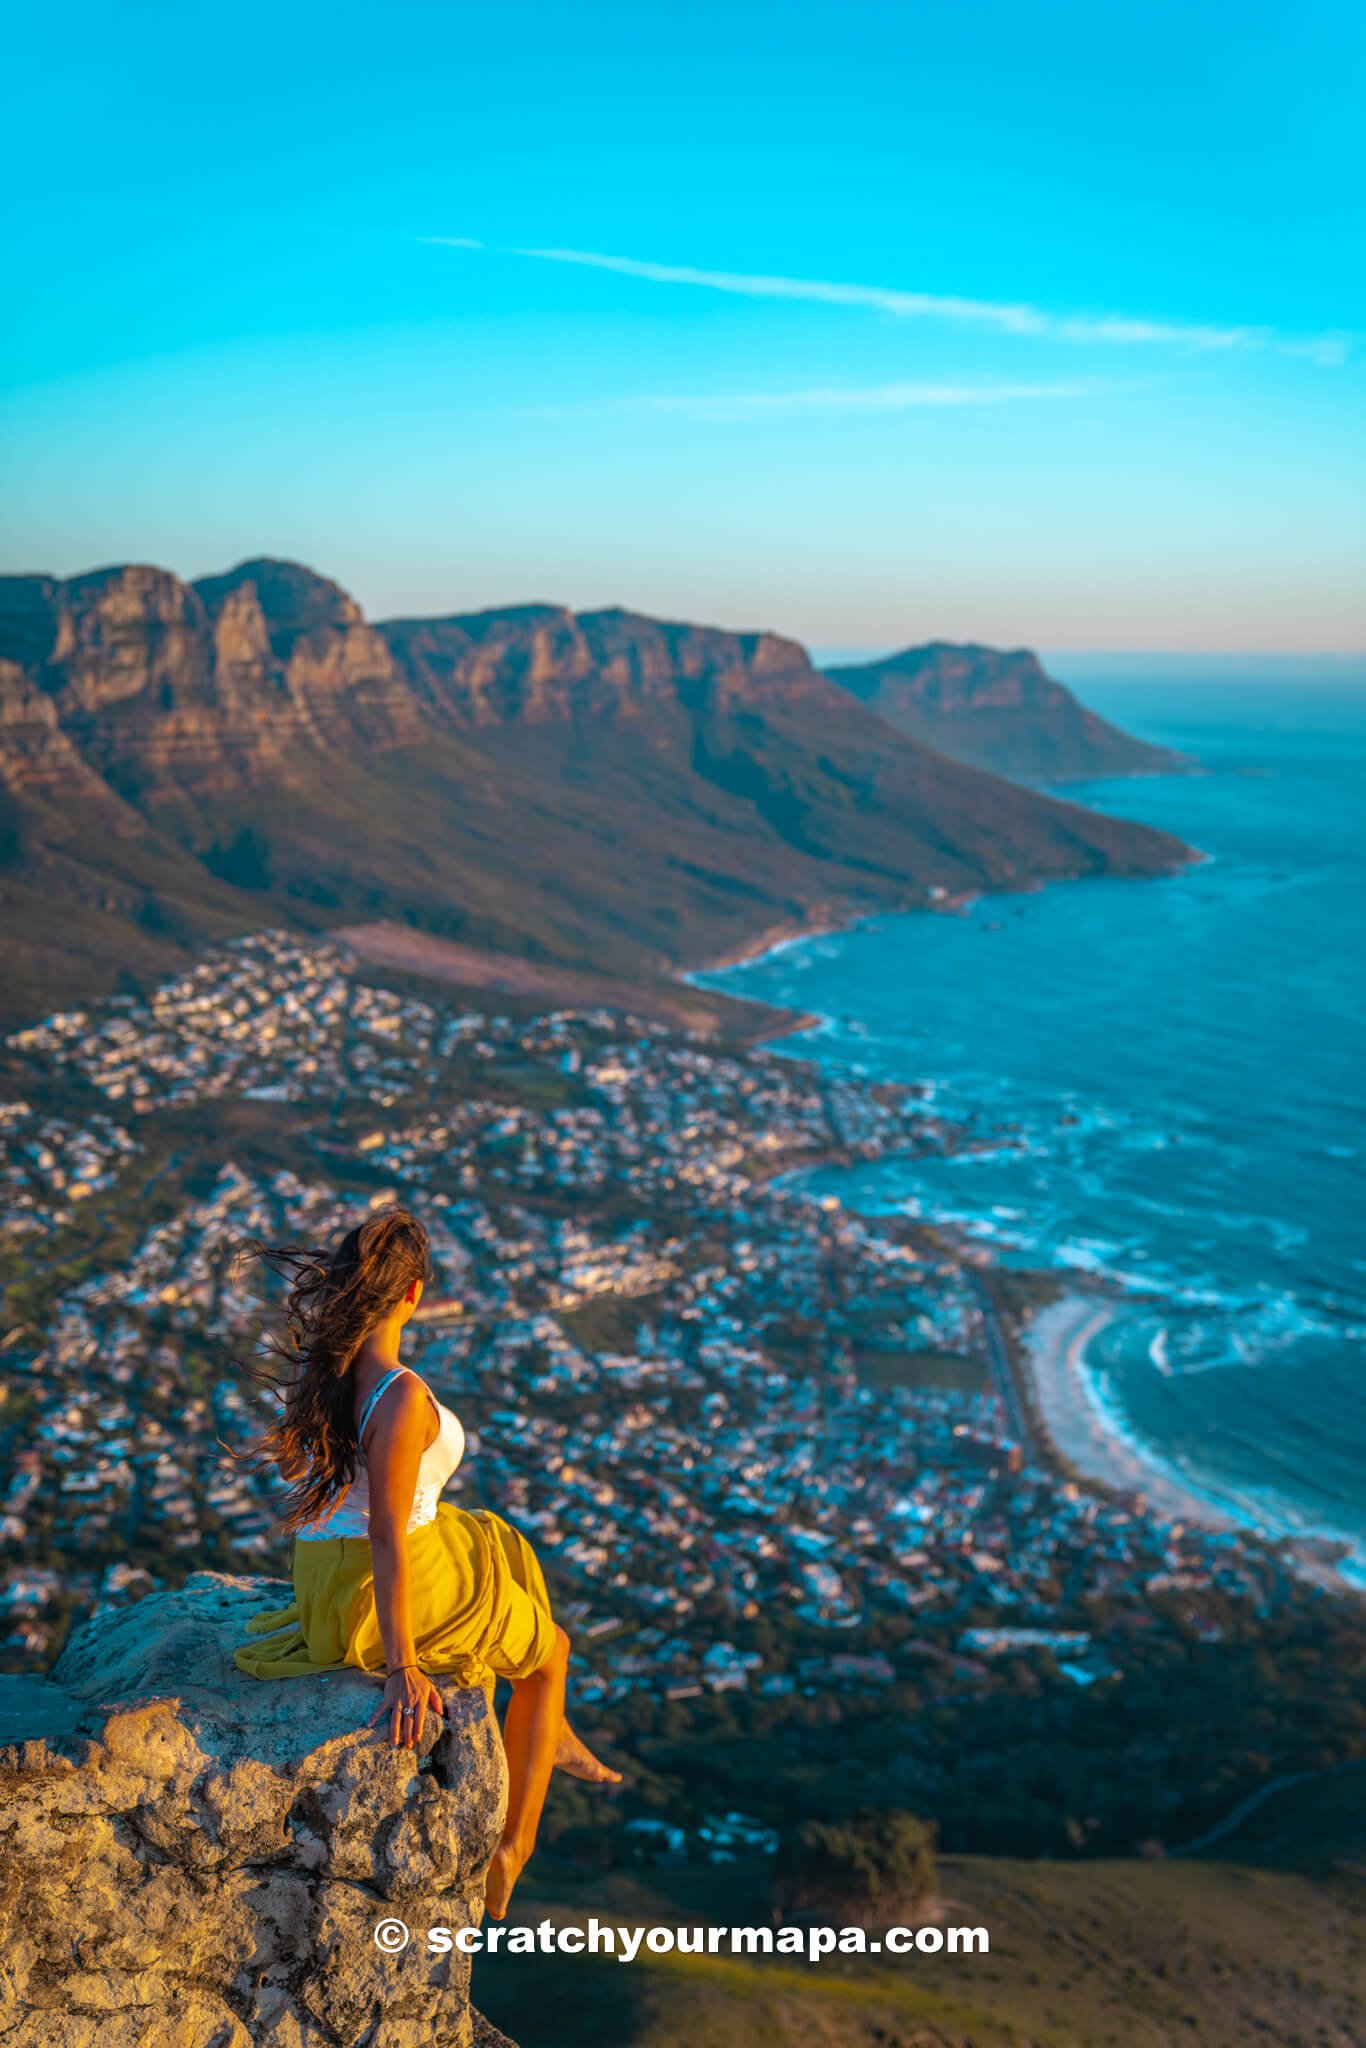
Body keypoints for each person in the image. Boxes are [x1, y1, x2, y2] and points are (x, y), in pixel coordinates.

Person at [230, 1205, 619, 1919]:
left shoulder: (329, 1370)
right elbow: (386, 1534)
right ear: (413, 1294)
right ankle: (514, 1848)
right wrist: (403, 1668)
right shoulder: (399, 1395)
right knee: (553, 1651)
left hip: (323, 1576)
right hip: (373, 1575)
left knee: (493, 1538)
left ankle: (549, 1729)